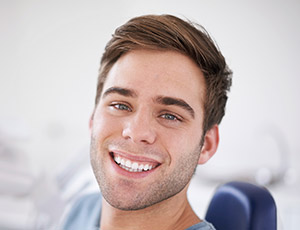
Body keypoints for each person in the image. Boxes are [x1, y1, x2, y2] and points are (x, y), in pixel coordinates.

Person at [63, 14, 232, 230]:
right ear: (93, 118)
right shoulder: (83, 211)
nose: (135, 131)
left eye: (170, 116)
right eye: (120, 105)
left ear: (206, 145)